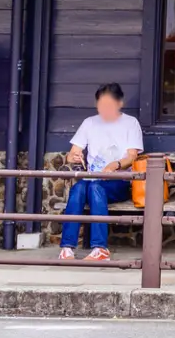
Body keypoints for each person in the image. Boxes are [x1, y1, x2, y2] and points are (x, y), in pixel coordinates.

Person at [59, 83, 143, 261]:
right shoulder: (89, 123)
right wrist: (74, 156)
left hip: (118, 182)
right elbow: (72, 153)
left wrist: (116, 165)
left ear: (120, 103)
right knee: (78, 189)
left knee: (95, 188)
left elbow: (132, 156)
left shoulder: (130, 123)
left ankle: (100, 248)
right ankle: (67, 248)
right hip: (92, 179)